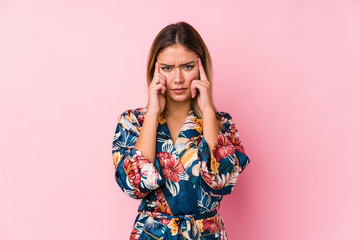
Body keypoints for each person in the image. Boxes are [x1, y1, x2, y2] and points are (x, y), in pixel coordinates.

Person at [112, 22, 250, 240]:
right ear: (154, 70)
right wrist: (152, 113)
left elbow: (224, 180)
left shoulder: (222, 123)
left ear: (201, 67)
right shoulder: (132, 122)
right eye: (167, 68)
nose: (178, 79)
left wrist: (206, 110)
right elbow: (134, 186)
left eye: (187, 67)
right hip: (153, 234)